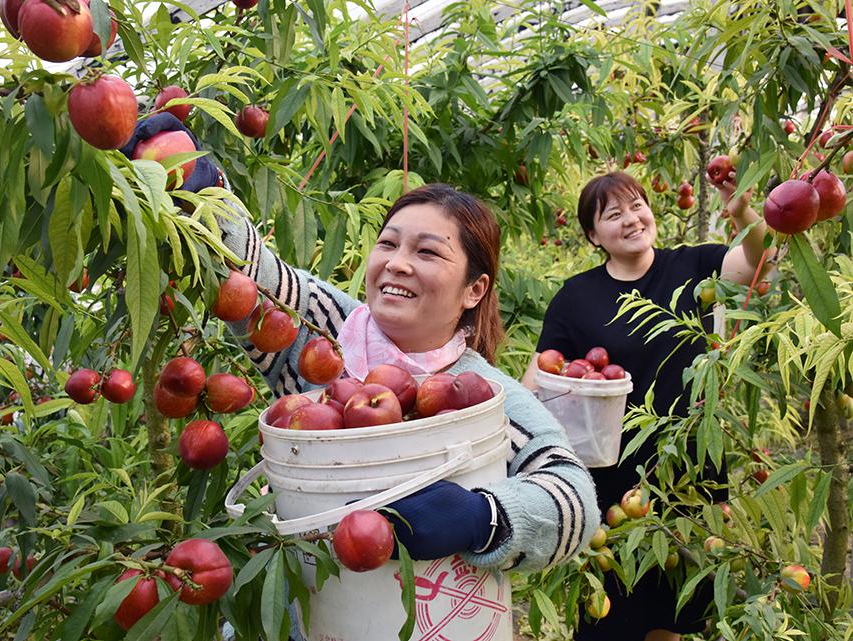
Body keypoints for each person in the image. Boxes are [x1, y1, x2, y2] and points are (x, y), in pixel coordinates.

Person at [122, 114, 599, 635]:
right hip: (312, 613)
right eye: (388, 244)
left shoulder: (485, 398)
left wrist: (482, 518)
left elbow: (574, 498)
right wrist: (198, 185)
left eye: (427, 252)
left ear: (474, 290)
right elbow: (253, 279)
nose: (396, 263)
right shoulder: (328, 334)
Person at [521, 170, 772, 641]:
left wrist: (739, 207)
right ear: (594, 236)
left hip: (690, 468)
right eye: (613, 215)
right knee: (611, 609)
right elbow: (541, 374)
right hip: (612, 472)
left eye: (637, 205)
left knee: (675, 607)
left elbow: (760, 259)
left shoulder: (695, 267)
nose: (632, 219)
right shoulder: (577, 297)